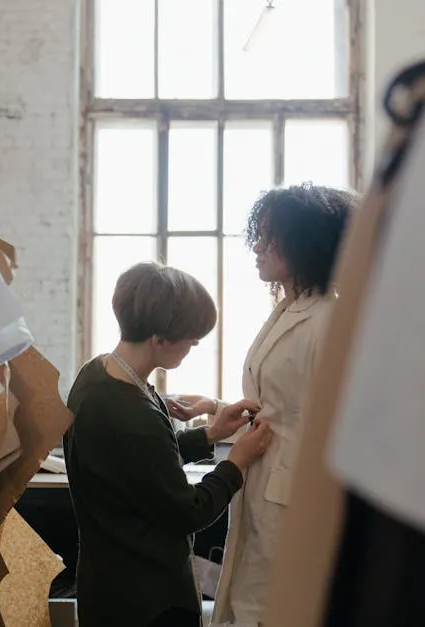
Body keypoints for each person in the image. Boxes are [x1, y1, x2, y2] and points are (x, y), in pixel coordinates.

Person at [64, 261, 274, 627]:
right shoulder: (132, 415)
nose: (194, 344)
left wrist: (208, 435)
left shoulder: (96, 375)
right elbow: (188, 512)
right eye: (190, 337)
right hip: (148, 601)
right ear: (159, 339)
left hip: (107, 586)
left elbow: (141, 465)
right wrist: (235, 463)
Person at [209, 183, 355, 627]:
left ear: (306, 241)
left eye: (270, 237)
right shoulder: (289, 309)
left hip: (295, 493)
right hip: (264, 481)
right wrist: (219, 407)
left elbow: (330, 416)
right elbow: (282, 401)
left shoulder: (328, 321)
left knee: (279, 607)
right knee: (252, 604)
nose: (257, 247)